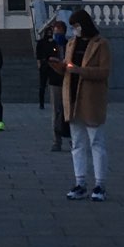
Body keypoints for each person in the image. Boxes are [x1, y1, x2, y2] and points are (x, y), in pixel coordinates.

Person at [49, 8, 111, 202]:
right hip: (72, 97)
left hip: (91, 99)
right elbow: (68, 67)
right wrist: (59, 66)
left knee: (96, 142)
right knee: (77, 143)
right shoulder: (71, 44)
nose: (74, 30)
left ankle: (100, 184)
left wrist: (79, 70)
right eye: (73, 27)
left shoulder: (101, 44)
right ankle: (80, 182)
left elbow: (104, 72)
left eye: (76, 26)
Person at [47, 20, 68, 151]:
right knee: (56, 111)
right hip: (55, 81)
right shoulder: (49, 45)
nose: (57, 33)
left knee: (70, 111)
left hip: (68, 80)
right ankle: (56, 141)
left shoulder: (69, 44)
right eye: (55, 31)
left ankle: (72, 138)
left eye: (59, 31)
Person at [35, 27, 55, 109]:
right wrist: (39, 63)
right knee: (42, 85)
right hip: (44, 64)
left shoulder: (53, 42)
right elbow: (38, 54)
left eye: (51, 33)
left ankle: (53, 101)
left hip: (53, 64)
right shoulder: (41, 42)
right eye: (48, 33)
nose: (50, 34)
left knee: (53, 85)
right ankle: (41, 103)